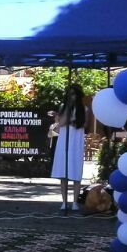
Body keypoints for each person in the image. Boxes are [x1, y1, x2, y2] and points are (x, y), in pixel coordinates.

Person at [51, 84, 86, 212]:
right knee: (63, 173)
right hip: (64, 142)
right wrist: (67, 108)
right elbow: (61, 123)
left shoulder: (84, 109)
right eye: (69, 94)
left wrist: (72, 119)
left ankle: (75, 202)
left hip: (76, 142)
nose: (71, 97)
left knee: (76, 171)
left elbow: (83, 124)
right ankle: (64, 202)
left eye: (73, 94)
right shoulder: (64, 108)